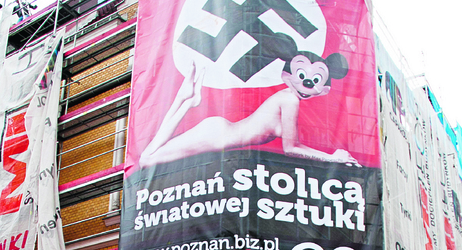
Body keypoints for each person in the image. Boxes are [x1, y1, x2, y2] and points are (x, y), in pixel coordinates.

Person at [139, 50, 360, 167]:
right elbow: (291, 148)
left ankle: (188, 99)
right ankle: (185, 99)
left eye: (315, 80)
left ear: (323, 89)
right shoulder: (290, 100)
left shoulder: (288, 98)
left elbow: (293, 145)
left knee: (150, 156)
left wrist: (333, 157)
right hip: (217, 136)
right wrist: (332, 158)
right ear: (288, 75)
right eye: (302, 75)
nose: (307, 83)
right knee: (146, 160)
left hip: (219, 132)